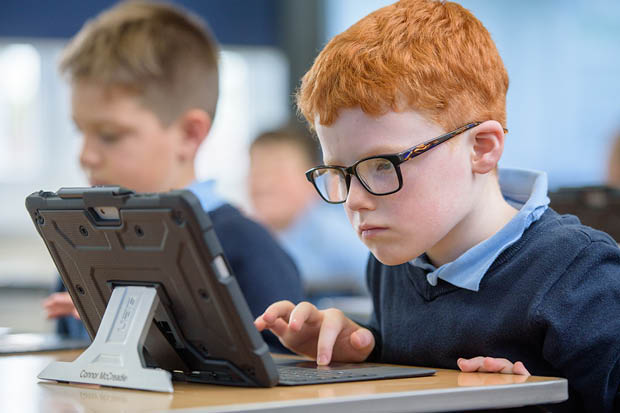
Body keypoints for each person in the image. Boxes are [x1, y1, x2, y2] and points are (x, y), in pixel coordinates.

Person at [254, 0, 620, 411]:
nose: (355, 200)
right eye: (338, 172)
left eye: (381, 166)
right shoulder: (396, 263)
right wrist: (364, 350)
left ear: (481, 148)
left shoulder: (581, 276)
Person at [42, 0, 304, 352]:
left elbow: (287, 383)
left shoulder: (248, 250)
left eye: (109, 135)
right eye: (80, 131)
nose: (85, 154)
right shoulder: (84, 248)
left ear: (189, 135)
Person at [248, 125, 368, 297]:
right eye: (257, 171)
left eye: (278, 172)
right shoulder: (250, 238)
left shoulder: (332, 233)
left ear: (314, 179)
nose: (265, 184)